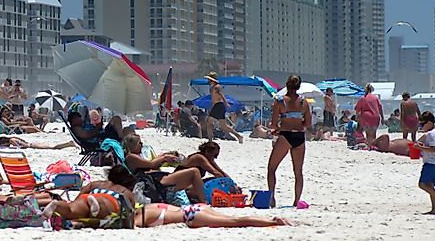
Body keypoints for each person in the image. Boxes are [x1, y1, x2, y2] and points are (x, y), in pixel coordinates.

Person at [267, 75, 312, 208]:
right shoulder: (304, 102)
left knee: (272, 168)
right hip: (299, 136)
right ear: (299, 87)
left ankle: (272, 199)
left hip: (285, 136)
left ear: (287, 85)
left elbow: (273, 124)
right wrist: (298, 123)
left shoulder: (280, 101)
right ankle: (296, 201)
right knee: (298, 172)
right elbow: (308, 123)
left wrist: (278, 128)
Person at [122, 134, 206, 203]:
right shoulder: (131, 157)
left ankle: (200, 200)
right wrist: (164, 157)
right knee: (194, 172)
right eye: (139, 143)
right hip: (152, 183)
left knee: (192, 183)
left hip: (154, 181)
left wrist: (163, 157)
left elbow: (152, 165)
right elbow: (151, 164)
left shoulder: (135, 156)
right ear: (133, 145)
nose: (142, 145)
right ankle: (204, 202)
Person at [42, 166, 136, 221]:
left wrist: (77, 202)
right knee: (105, 209)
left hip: (90, 195)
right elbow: (130, 212)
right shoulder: (124, 191)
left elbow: (79, 196)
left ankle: (57, 205)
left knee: (71, 210)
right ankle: (96, 204)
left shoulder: (97, 183)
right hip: (108, 199)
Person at [135, 203, 292, 228]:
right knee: (231, 219)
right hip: (193, 208)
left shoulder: (142, 214)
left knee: (234, 222)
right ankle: (269, 220)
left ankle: (272, 221)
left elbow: (135, 227)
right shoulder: (147, 206)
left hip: (189, 216)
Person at [415, 111, 435, 215]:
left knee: (422, 184)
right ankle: (434, 209)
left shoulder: (432, 134)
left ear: (429, 123)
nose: (421, 127)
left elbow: (433, 149)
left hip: (431, 163)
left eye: (422, 124)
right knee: (430, 186)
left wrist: (420, 147)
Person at [204, 72, 243, 143]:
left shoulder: (217, 87)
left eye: (209, 79)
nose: (208, 81)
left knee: (209, 122)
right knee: (223, 126)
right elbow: (213, 100)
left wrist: (226, 103)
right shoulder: (212, 88)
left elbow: (221, 95)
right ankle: (238, 136)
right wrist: (211, 108)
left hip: (219, 106)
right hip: (217, 106)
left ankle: (210, 140)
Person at [0, 136, 76, 150]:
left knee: (53, 147)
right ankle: (68, 144)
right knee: (52, 147)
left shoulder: (11, 140)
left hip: (32, 145)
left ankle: (69, 143)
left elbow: (19, 147)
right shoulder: (13, 138)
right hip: (32, 144)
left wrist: (10, 148)